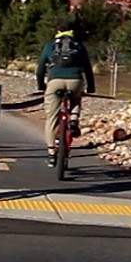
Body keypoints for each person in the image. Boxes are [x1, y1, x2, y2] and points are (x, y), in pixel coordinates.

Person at [36, 18, 96, 167]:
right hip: (75, 80)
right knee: (76, 98)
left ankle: (51, 153)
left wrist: (41, 85)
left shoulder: (50, 46)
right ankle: (74, 118)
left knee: (51, 118)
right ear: (72, 31)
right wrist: (91, 87)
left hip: (54, 82)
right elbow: (88, 69)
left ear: (58, 31)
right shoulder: (79, 45)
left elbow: (40, 69)